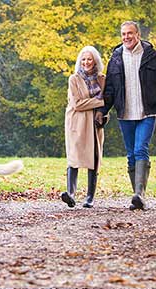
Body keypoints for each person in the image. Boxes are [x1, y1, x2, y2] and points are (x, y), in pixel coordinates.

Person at [95, 21, 156, 211]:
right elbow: (110, 90)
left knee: (140, 149)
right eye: (123, 34)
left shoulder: (152, 56)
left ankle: (140, 195)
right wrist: (102, 112)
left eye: (130, 33)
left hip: (147, 112)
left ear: (138, 35)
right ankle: (137, 197)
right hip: (125, 113)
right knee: (131, 155)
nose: (126, 37)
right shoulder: (116, 58)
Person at [61, 46, 107, 208]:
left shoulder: (102, 79)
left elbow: (107, 104)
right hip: (77, 122)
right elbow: (78, 104)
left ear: (95, 61)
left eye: (89, 59)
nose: (86, 62)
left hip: (94, 123)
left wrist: (103, 112)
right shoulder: (74, 79)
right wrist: (101, 101)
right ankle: (70, 194)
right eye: (83, 59)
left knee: (93, 158)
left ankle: (89, 197)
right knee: (74, 157)